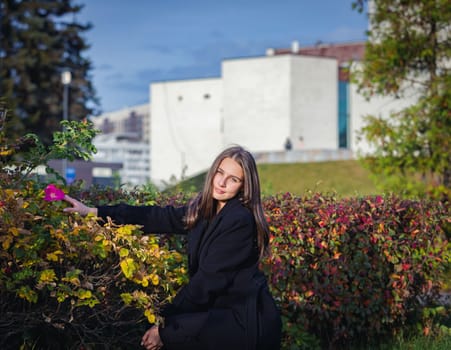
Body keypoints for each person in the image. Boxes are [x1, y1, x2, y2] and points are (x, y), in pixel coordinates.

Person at [63, 145, 282, 350]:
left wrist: (164, 325)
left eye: (233, 179)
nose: (222, 183)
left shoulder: (239, 220)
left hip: (241, 321)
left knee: (166, 336)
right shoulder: (205, 210)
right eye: (219, 173)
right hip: (215, 314)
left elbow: (208, 282)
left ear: (244, 186)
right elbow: (157, 217)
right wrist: (94, 212)